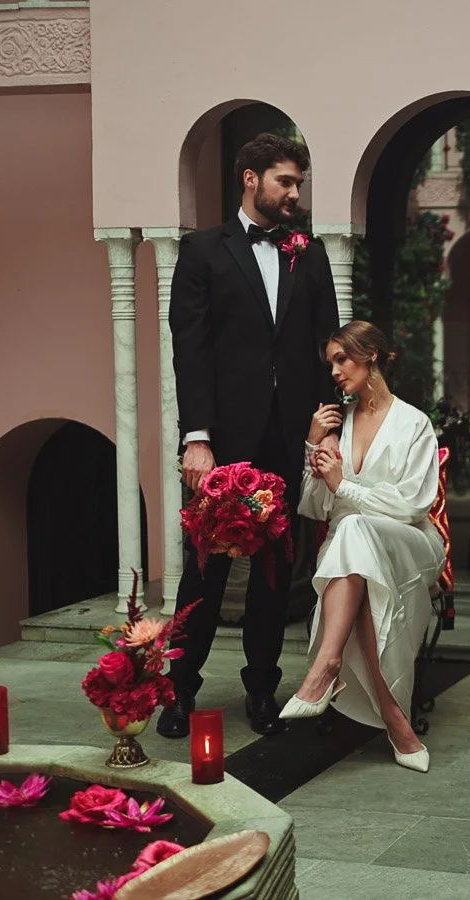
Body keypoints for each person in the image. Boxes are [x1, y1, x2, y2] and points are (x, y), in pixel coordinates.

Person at [161, 132, 341, 739]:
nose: (294, 193)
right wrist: (197, 437)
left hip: (289, 438)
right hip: (221, 439)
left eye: (298, 183)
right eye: (284, 181)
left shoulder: (308, 253)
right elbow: (191, 351)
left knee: (274, 570)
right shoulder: (202, 252)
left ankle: (261, 688)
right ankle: (179, 691)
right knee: (204, 571)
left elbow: (327, 349)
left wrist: (326, 431)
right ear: (250, 178)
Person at [281, 321, 445, 773]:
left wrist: (344, 487)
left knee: (354, 531)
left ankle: (324, 668)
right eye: (330, 363)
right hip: (351, 553)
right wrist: (312, 445)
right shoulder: (337, 425)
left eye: (342, 359)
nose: (334, 371)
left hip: (411, 544)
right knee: (353, 539)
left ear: (371, 356)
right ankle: (396, 720)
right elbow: (315, 507)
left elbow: (413, 506)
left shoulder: (414, 423)